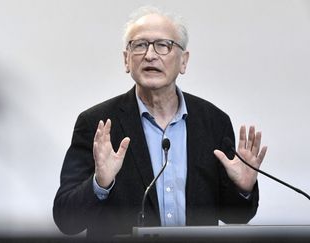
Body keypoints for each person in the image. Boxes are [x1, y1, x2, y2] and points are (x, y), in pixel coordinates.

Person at [53, 6, 267, 238]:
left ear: (183, 61)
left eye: (164, 45)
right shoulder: (97, 124)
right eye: (140, 45)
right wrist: (100, 185)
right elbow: (66, 220)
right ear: (126, 60)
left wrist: (243, 189)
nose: (150, 55)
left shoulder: (214, 122)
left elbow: (237, 216)